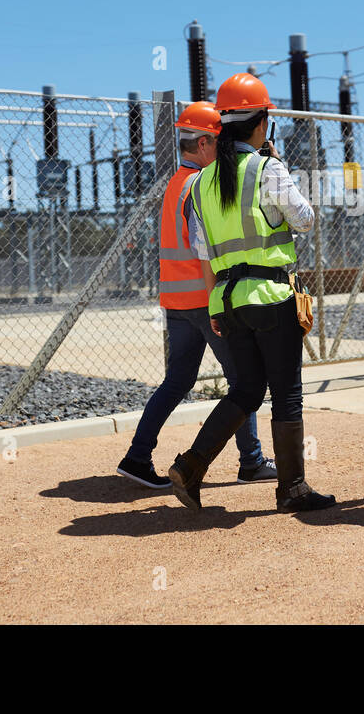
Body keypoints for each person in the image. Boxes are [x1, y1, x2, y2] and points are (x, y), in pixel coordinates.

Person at [167, 73, 336, 514]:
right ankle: (292, 489)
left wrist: (214, 305)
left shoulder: (198, 184)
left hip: (226, 300)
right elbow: (304, 219)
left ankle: (190, 465)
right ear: (262, 123)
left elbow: (202, 251)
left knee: (246, 390)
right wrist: (276, 166)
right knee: (286, 392)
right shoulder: (267, 168)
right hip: (270, 296)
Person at [116, 101, 277, 489]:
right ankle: (251, 461)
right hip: (205, 302)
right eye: (219, 143)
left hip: (176, 303)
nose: (222, 149)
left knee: (177, 382)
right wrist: (218, 304)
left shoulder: (176, 183)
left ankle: (136, 457)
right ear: (204, 143)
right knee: (244, 382)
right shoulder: (199, 185)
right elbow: (204, 249)